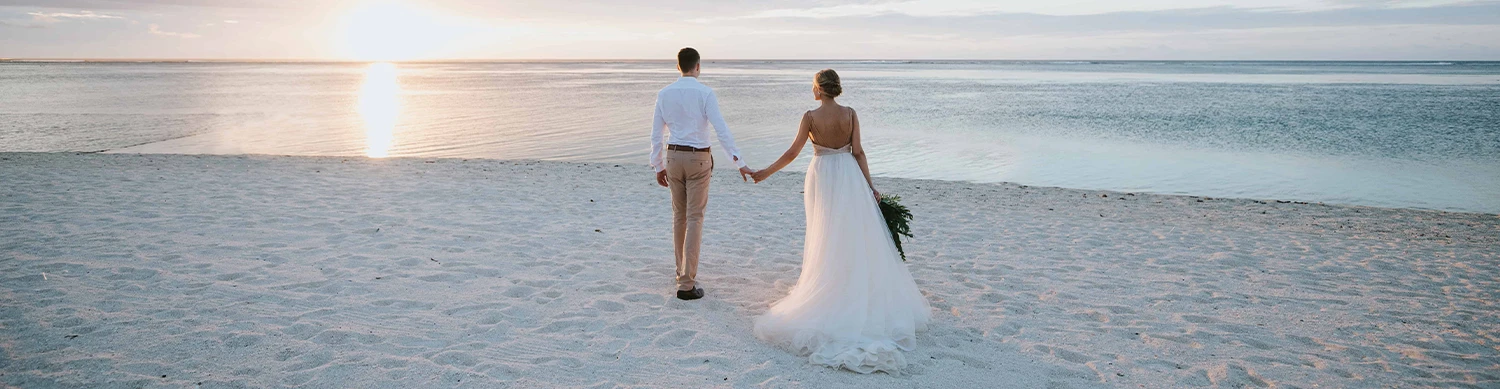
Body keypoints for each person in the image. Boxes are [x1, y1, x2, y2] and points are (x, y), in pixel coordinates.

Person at [748, 69, 931, 374]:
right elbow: (858, 152)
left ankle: (831, 283)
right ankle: (851, 284)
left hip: (822, 175)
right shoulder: (850, 114)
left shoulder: (809, 116)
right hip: (848, 175)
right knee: (852, 233)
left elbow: (794, 152)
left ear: (818, 89)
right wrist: (870, 186)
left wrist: (766, 172)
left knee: (827, 234)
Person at [649, 47, 755, 301]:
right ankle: (686, 283)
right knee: (694, 218)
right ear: (698, 67)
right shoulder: (706, 93)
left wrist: (657, 164)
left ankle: (681, 271)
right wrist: (739, 161)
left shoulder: (664, 94)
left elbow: (655, 133)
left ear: (678, 66)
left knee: (679, 216)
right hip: (698, 158)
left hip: (673, 156)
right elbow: (721, 129)